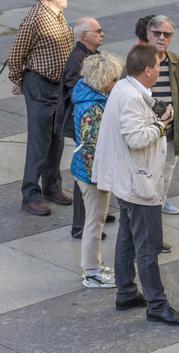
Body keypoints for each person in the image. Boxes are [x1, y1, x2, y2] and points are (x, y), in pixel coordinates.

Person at [92, 44, 179, 325]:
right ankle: (157, 304)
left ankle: (126, 292)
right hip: (138, 183)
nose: (159, 70)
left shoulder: (124, 88)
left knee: (127, 237)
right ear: (148, 70)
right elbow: (136, 139)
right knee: (148, 247)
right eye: (157, 66)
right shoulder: (132, 97)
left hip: (128, 180)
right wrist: (163, 124)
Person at [8, 0, 74, 216]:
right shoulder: (35, 18)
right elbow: (16, 53)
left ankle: (52, 187)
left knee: (57, 139)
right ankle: (30, 195)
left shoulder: (57, 14)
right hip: (40, 85)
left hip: (58, 86)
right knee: (39, 142)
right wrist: (18, 80)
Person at [57, 17, 115, 239]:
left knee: (94, 169)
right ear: (84, 36)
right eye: (98, 31)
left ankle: (97, 211)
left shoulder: (91, 55)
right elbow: (75, 90)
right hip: (82, 123)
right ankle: (81, 224)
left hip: (87, 121)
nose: (102, 34)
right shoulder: (78, 59)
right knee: (85, 173)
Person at [71, 53, 122, 288]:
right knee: (94, 221)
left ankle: (94, 264)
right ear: (103, 79)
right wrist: (102, 178)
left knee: (96, 219)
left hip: (83, 169)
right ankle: (91, 272)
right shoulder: (93, 107)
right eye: (113, 79)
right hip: (91, 174)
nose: (115, 83)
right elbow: (93, 149)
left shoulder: (86, 94)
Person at [145, 15, 179, 216]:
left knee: (168, 167)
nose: (162, 38)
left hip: (171, 128)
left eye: (167, 34)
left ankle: (161, 201)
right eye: (157, 33)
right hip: (146, 128)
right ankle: (145, 203)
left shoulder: (176, 61)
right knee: (146, 168)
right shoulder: (137, 60)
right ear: (149, 35)